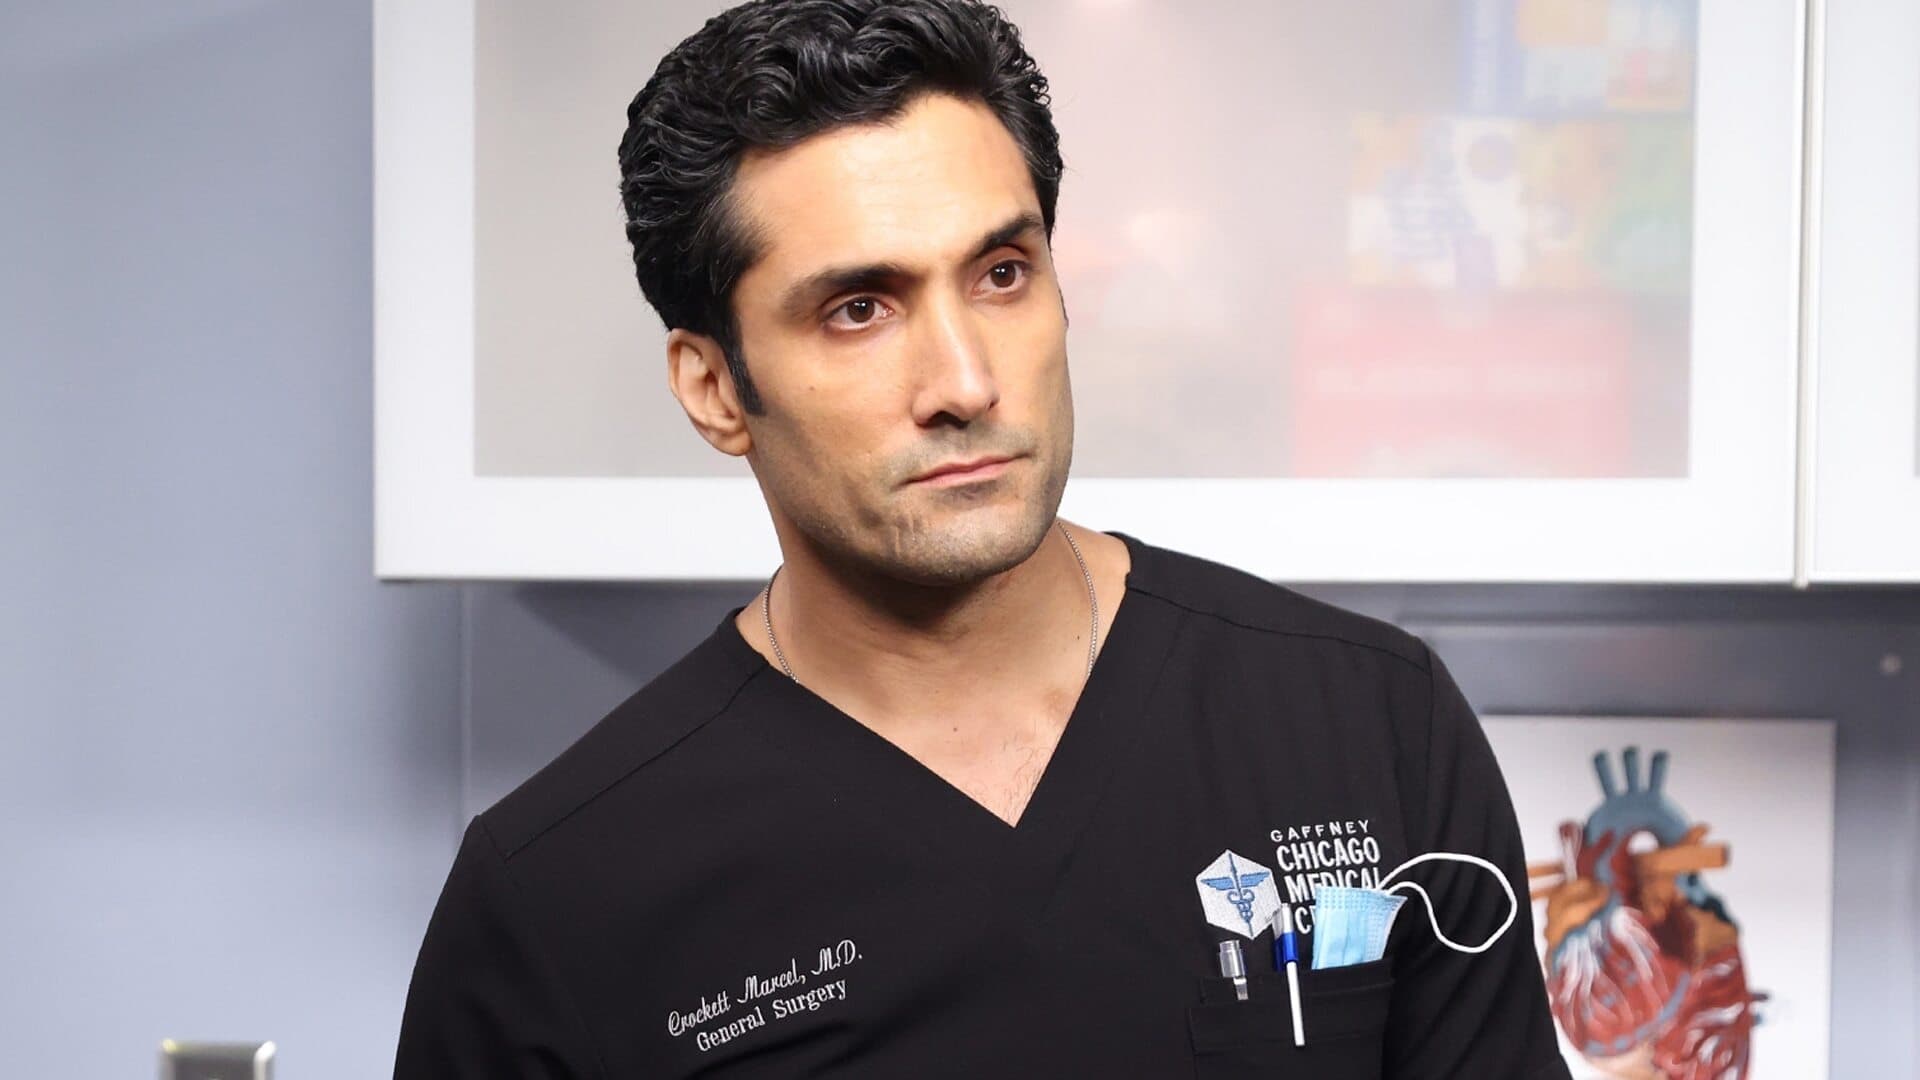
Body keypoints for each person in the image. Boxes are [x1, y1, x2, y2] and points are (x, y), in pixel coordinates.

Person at [394, 1, 1572, 1076]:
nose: (964, 381)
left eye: (1003, 274)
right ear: (714, 388)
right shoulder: (560, 896)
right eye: (859, 308)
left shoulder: (1369, 724)